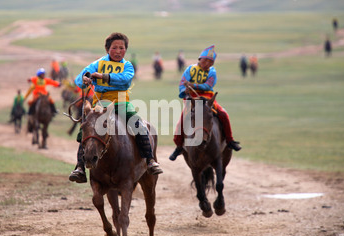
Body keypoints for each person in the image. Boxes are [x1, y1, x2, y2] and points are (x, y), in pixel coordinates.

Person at [69, 32, 163, 184]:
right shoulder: (97, 63)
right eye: (114, 48)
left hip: (121, 102)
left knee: (138, 125)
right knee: (86, 130)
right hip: (100, 104)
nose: (118, 51)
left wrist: (103, 76)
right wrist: (85, 78)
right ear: (107, 49)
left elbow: (125, 81)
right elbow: (78, 79)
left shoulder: (127, 65)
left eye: (122, 48)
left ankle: (150, 160)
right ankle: (80, 167)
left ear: (126, 49)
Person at [169, 45, 241, 161]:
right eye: (205, 60)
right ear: (200, 59)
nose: (207, 63)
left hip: (208, 100)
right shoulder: (190, 70)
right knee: (183, 120)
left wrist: (194, 85)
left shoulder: (212, 72)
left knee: (223, 114)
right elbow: (182, 84)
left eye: (210, 62)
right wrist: (185, 90)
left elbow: (209, 85)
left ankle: (230, 140)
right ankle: (179, 146)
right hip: (192, 100)